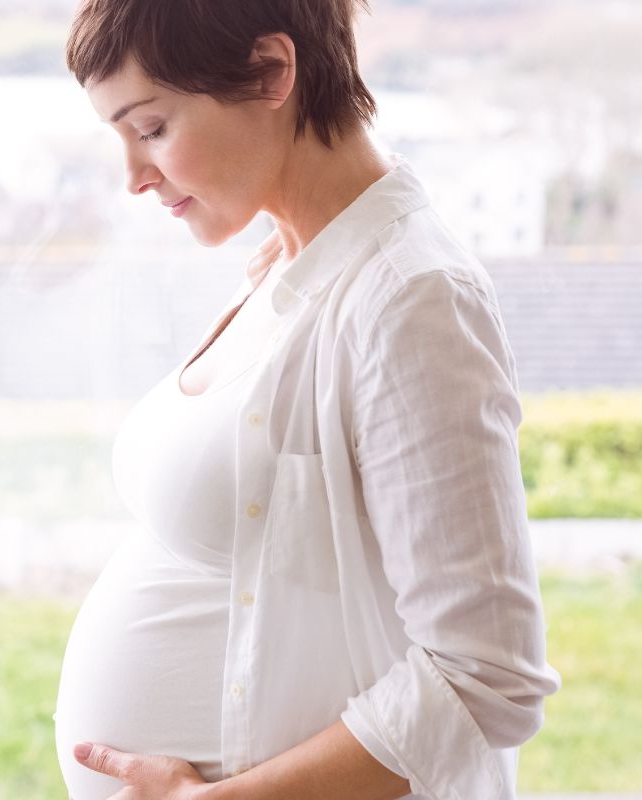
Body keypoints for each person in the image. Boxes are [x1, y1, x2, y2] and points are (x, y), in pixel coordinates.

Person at [50, 1, 562, 799]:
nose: (133, 179)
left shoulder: (413, 301)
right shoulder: (291, 266)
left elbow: (484, 678)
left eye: (149, 129)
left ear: (271, 72)